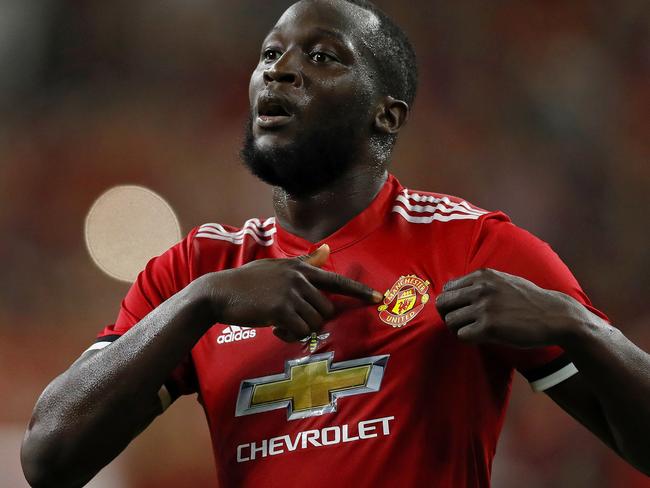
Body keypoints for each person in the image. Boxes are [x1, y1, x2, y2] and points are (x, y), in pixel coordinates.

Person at [21, 0, 650, 486]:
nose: (281, 70)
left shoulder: (471, 245)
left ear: (386, 114)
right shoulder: (197, 269)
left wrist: (576, 327)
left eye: (322, 57)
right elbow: (48, 457)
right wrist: (202, 303)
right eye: (269, 55)